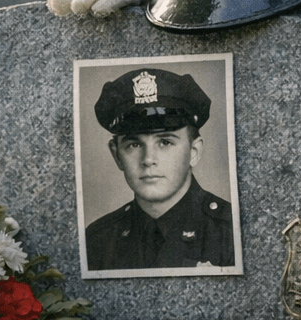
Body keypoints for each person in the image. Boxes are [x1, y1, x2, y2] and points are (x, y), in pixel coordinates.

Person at [84, 67, 235, 270]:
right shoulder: (97, 241)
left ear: (194, 151)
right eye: (134, 145)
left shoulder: (231, 231)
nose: (148, 160)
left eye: (165, 142)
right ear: (116, 155)